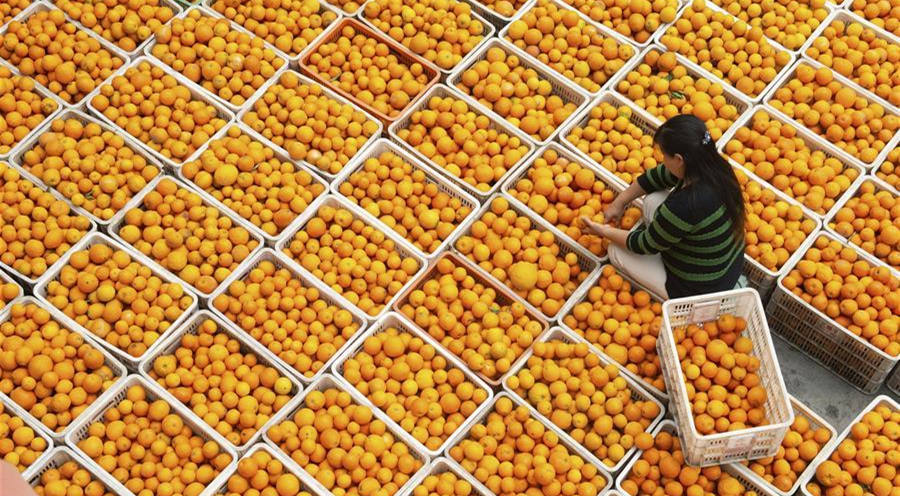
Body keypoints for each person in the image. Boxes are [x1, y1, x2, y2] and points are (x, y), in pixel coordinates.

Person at [582, 114, 745, 299]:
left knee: (615, 251)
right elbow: (657, 177)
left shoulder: (685, 205)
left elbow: (644, 244)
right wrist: (619, 202)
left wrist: (603, 231)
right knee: (652, 201)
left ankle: (671, 300)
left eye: (664, 155)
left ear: (678, 159)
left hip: (700, 287)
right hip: (727, 264)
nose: (662, 160)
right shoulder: (714, 167)